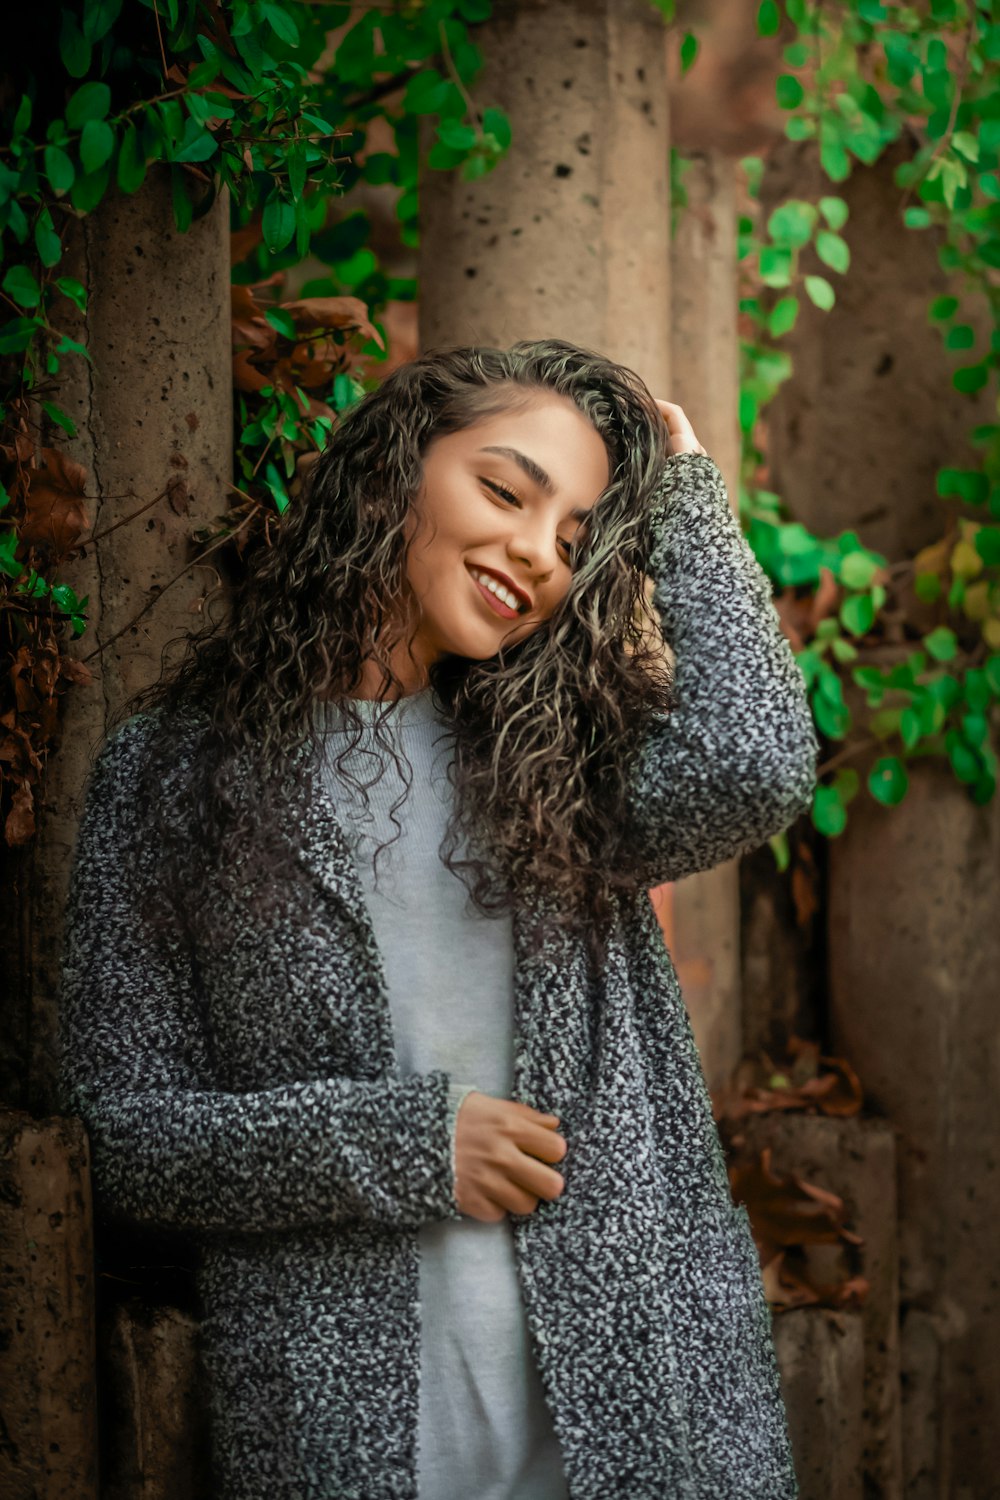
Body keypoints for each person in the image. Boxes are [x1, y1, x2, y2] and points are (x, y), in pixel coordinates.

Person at [59, 339, 817, 1500]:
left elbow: (753, 765)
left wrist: (686, 501)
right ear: (395, 468)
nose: (533, 553)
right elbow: (124, 1142)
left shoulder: (559, 763)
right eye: (506, 491)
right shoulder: (167, 779)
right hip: (342, 1438)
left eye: (574, 541)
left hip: (635, 1426)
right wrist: (400, 1147)